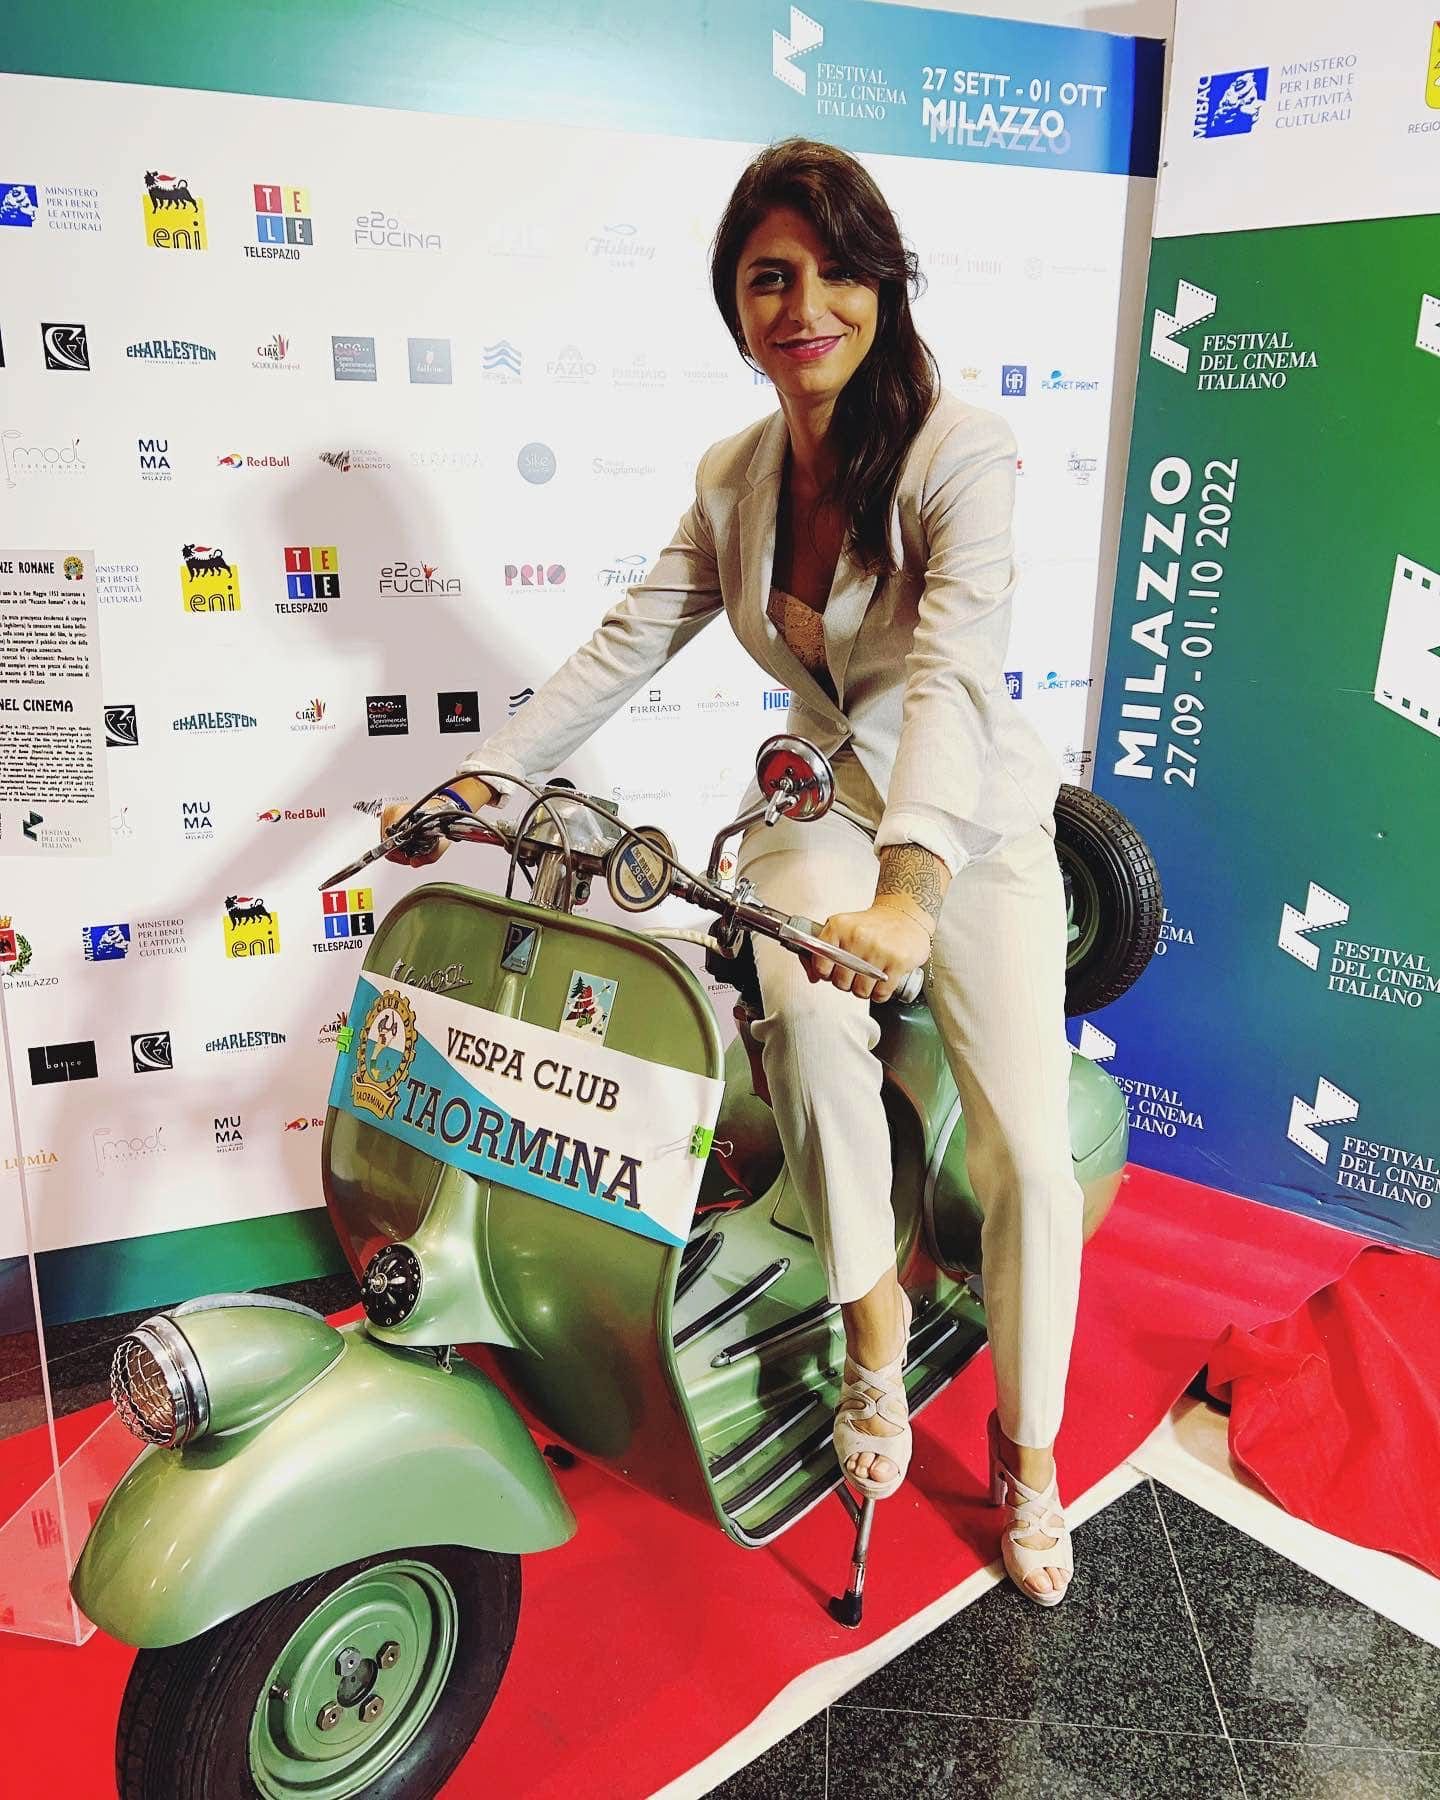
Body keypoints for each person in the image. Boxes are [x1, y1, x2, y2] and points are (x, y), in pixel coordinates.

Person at [383, 138, 1080, 1604]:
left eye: (834, 271)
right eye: (770, 278)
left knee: (1025, 1152)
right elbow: (627, 642)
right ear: (735, 304)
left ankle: (1030, 1451)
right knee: (806, 1014)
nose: (803, 305)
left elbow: (950, 678)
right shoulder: (735, 475)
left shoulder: (963, 450)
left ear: (883, 282)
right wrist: (488, 777)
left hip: (969, 824)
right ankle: (873, 1326)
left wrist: (912, 894)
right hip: (819, 807)